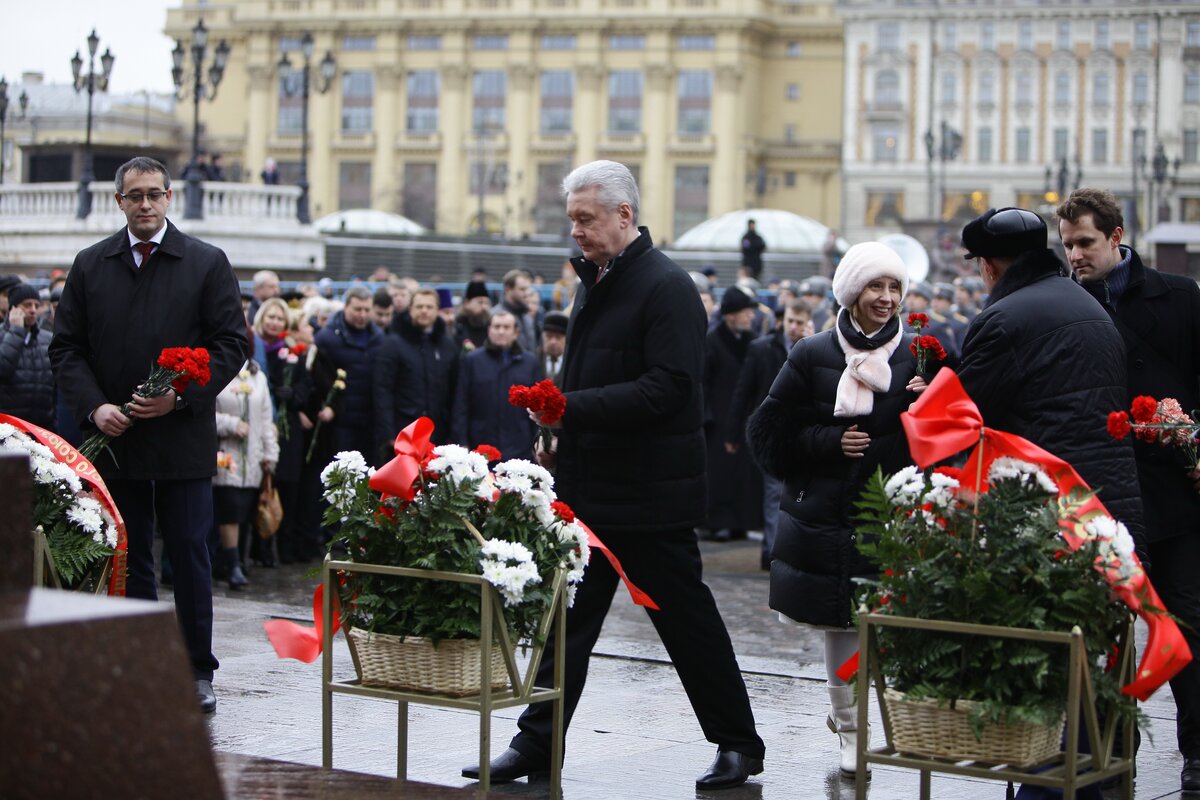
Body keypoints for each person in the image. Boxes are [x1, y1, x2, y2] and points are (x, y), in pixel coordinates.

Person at [463, 160, 765, 791]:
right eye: (572, 219)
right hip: (591, 488)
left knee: (687, 625)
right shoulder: (592, 280)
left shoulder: (668, 286)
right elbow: (580, 377)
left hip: (651, 496)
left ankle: (738, 744)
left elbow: (670, 388)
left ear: (624, 215)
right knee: (566, 625)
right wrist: (555, 435)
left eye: (586, 218)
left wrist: (570, 410)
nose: (576, 230)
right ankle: (537, 743)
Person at [49, 156, 247, 714]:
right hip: (117, 440)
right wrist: (95, 408)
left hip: (181, 436)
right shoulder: (92, 264)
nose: (145, 204)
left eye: (154, 194)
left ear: (168, 197)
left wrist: (179, 397)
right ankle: (139, 662)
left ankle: (196, 669)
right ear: (119, 201)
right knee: (129, 555)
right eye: (134, 195)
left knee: (189, 552)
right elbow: (67, 349)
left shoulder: (205, 262)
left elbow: (231, 344)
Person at [746, 242, 921, 778]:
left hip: (888, 513)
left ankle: (852, 711)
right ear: (851, 291)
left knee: (878, 626)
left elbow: (949, 438)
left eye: (894, 287)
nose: (886, 298)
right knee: (841, 625)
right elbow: (767, 435)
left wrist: (926, 403)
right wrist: (828, 442)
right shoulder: (811, 352)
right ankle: (850, 728)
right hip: (823, 515)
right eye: (875, 286)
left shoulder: (920, 355)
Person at [1058, 188, 1200, 794]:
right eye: (1067, 245)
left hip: (1175, 495)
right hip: (1102, 497)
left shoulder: (1181, 297)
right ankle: (1113, 749)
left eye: (1085, 243)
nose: (1075, 256)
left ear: (1116, 236)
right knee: (1103, 629)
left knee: (1187, 625)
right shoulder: (1065, 305)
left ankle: (1198, 754)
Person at [956, 207, 1144, 538]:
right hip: (1112, 496)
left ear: (988, 265)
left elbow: (966, 413)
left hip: (1048, 502)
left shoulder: (1001, 320)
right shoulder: (1091, 306)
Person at [726, 299, 813, 569]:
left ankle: (788, 551)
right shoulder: (761, 348)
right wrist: (733, 431)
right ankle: (774, 552)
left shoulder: (816, 349)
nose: (793, 327)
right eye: (790, 321)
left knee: (798, 496)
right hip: (774, 433)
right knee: (774, 494)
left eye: (799, 322)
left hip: (804, 434)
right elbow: (743, 391)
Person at [255, 298, 313, 565]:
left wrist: (293, 395)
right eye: (271, 317)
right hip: (262, 423)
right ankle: (261, 547)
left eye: (280, 319)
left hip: (287, 427)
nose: (275, 323)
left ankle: (284, 545)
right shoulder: (255, 348)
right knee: (263, 485)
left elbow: (305, 386)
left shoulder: (291, 352)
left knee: (288, 487)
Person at [703, 286, 763, 542]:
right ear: (730, 315)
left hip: (744, 417)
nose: (751, 316)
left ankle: (742, 520)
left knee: (743, 474)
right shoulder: (712, 342)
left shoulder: (752, 342)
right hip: (718, 419)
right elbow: (703, 383)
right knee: (720, 473)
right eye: (745, 312)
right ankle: (719, 521)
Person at [212, 358, 278, 588]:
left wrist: (270, 454)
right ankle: (232, 566)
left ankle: (237, 560)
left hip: (253, 457)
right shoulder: (220, 371)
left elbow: (266, 421)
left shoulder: (258, 377)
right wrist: (231, 424)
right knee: (229, 511)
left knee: (245, 512)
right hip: (226, 456)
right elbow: (206, 413)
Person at [374, 287, 459, 457]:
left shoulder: (448, 346)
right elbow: (382, 390)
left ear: (437, 310)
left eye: (429, 307)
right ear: (410, 309)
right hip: (403, 430)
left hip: (438, 433)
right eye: (419, 306)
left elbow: (455, 391)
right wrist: (389, 433)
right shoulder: (393, 344)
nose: (424, 311)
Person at [450, 309, 539, 461]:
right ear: (489, 330)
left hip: (519, 446)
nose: (501, 331)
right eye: (497, 327)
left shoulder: (530, 362)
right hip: (481, 447)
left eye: (506, 327)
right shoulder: (472, 361)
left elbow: (536, 407)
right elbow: (461, 404)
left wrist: (536, 443)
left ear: (516, 332)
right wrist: (461, 441)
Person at [313, 286, 383, 464]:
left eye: (367, 310)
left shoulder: (379, 337)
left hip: (370, 420)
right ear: (346, 307)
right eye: (357, 309)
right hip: (340, 421)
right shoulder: (327, 338)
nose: (362, 315)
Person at [0, 283, 55, 431]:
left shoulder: (47, 339)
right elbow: (3, 369)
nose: (33, 310)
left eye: (36, 305)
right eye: (27, 305)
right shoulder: (2, 336)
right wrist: (16, 331)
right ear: (13, 308)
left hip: (42, 428)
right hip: (8, 427)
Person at [499, 269, 539, 352]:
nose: (526, 293)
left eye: (527, 289)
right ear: (508, 289)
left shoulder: (527, 316)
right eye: (522, 289)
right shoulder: (496, 316)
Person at [455, 279, 491, 350]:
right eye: (480, 302)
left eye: (486, 303)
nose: (484, 307)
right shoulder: (457, 327)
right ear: (467, 303)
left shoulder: (490, 326)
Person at [538, 311, 568, 385]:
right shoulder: (534, 359)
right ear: (542, 336)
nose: (553, 342)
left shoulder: (571, 361)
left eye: (558, 337)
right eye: (549, 336)